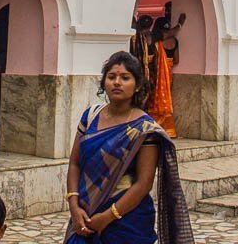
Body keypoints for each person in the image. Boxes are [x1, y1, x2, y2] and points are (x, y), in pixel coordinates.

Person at [64, 51, 193, 243]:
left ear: (138, 85)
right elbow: (75, 163)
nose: (117, 82)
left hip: (126, 222)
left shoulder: (144, 129)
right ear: (104, 82)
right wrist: (74, 206)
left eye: (125, 78)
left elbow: (143, 184)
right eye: (111, 77)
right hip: (85, 215)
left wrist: (107, 217)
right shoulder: (90, 116)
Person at [145, 18, 178, 137]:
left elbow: (154, 61)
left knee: (155, 98)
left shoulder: (156, 43)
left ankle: (155, 127)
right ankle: (169, 130)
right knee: (167, 96)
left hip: (158, 74)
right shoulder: (174, 41)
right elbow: (176, 60)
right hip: (169, 73)